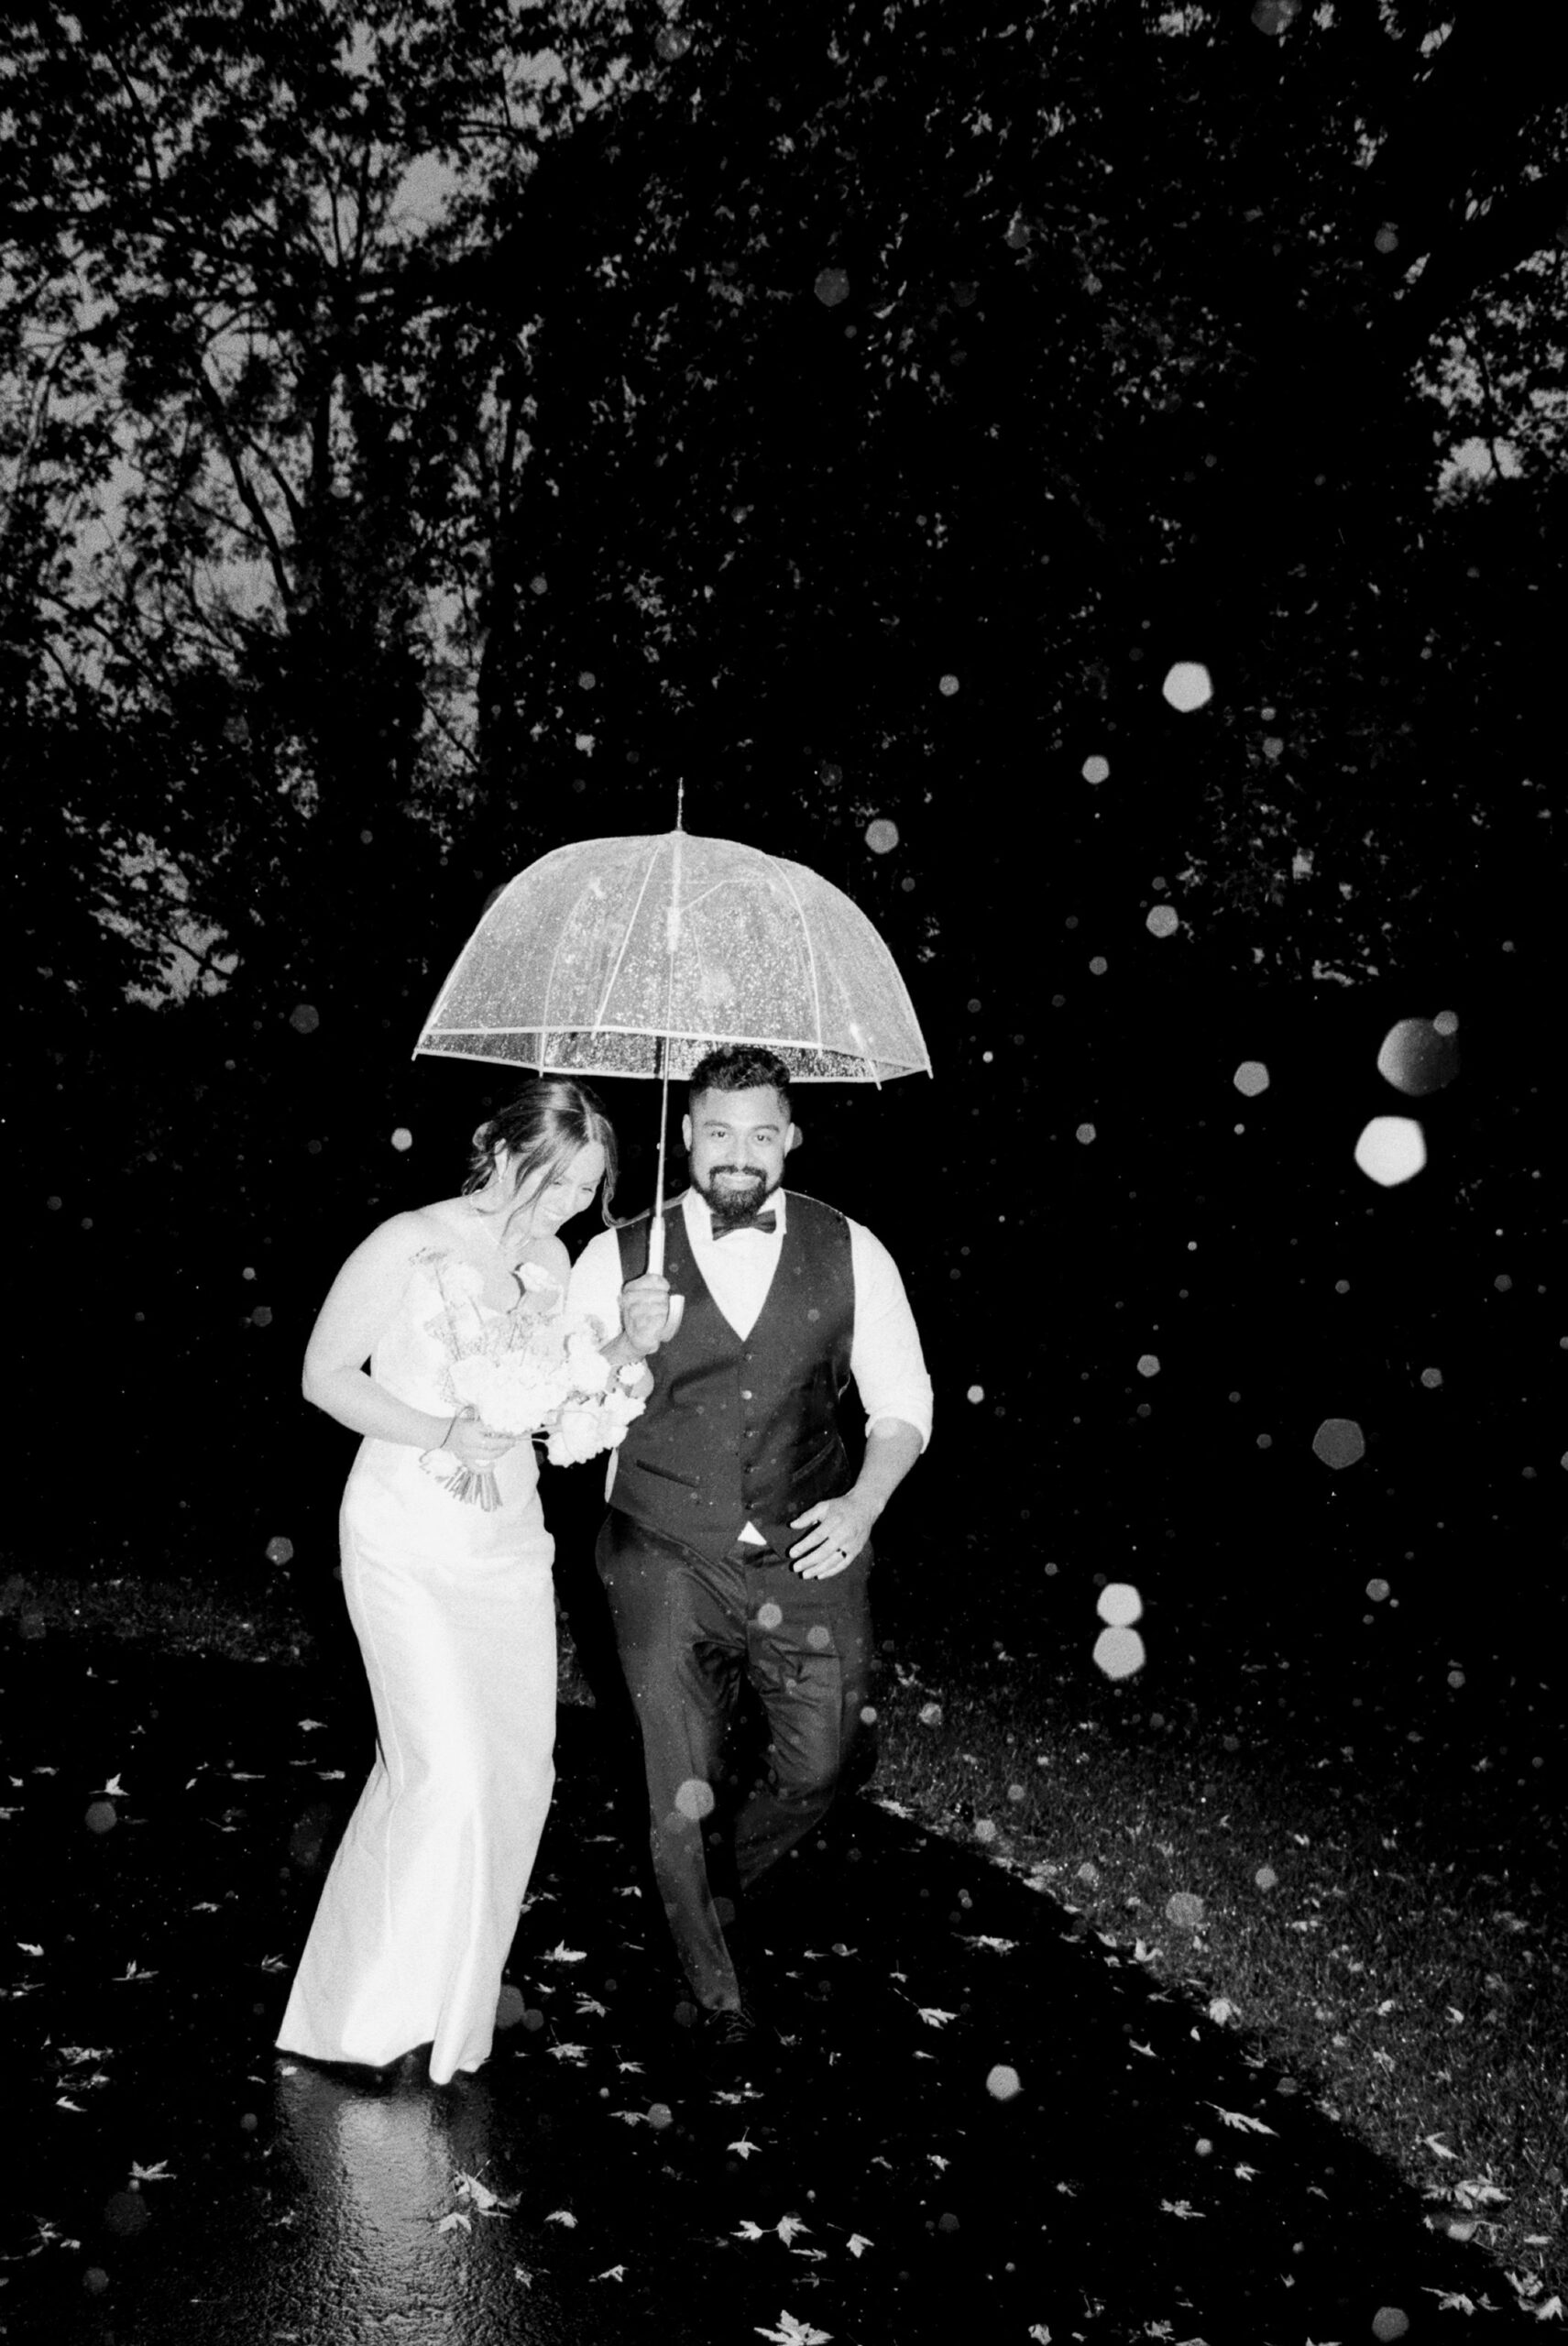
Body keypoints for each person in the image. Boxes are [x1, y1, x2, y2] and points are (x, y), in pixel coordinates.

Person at [567, 1046, 932, 2066]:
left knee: (824, 1761)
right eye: (717, 1132)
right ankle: (717, 1995)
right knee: (675, 1783)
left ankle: (724, 1872)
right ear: (684, 1134)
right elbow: (562, 1423)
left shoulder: (851, 1248)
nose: (739, 1154)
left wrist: (862, 1502)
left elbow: (905, 1403)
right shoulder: (617, 1256)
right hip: (660, 1549)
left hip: (809, 1544)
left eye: (761, 1133)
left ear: (791, 1136)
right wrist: (620, 1350)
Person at [276, 1077, 625, 2086]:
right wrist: (442, 1428)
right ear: (500, 1147)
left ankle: (449, 2014)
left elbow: (562, 1389)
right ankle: (359, 2019)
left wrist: (609, 1366)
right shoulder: (407, 1242)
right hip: (404, 1531)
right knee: (446, 1776)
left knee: (517, 1780)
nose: (560, 1205)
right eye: (550, 1180)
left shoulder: (555, 1261)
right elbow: (324, 1374)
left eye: (585, 1190)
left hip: (509, 1541)